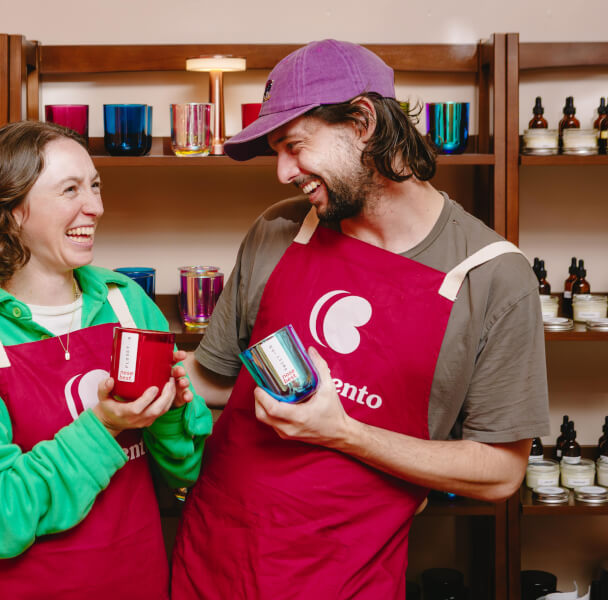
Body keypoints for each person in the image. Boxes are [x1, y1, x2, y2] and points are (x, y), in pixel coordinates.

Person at [171, 40, 548, 598]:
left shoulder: (491, 276)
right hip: (214, 556)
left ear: (363, 122)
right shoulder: (279, 232)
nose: (282, 173)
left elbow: (500, 472)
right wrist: (141, 373)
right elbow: (217, 382)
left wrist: (343, 433)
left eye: (295, 146)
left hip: (348, 575)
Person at [0, 121, 212, 599]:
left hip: (140, 581)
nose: (96, 206)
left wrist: (171, 414)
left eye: (94, 186)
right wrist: (105, 426)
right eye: (70, 189)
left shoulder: (125, 302)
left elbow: (183, 470)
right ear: (9, 210)